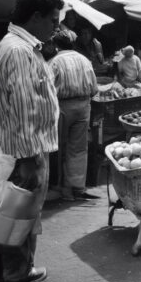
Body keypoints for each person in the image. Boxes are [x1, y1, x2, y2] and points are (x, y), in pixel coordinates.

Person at [0, 0, 63, 282]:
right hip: (26, 151)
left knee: (21, 213)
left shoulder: (21, 46)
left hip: (25, 148)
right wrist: (31, 158)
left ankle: (18, 270)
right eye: (53, 21)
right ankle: (17, 273)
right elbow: (25, 108)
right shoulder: (19, 50)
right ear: (35, 17)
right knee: (19, 214)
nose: (55, 28)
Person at [49, 30, 99, 201]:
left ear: (56, 45)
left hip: (62, 105)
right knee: (78, 148)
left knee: (60, 147)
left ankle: (63, 189)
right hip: (84, 106)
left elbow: (49, 90)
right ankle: (78, 187)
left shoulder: (54, 62)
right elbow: (94, 88)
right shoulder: (84, 60)